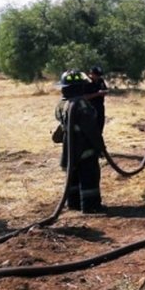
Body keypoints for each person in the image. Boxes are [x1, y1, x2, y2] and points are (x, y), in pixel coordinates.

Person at [55, 71, 107, 214]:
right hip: (85, 147)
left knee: (73, 175)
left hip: (69, 147)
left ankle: (74, 203)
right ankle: (91, 206)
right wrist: (100, 147)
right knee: (89, 176)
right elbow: (91, 129)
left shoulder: (61, 104)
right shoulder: (82, 105)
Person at [85, 66, 108, 133]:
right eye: (97, 75)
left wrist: (104, 92)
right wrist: (97, 94)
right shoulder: (86, 82)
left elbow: (105, 89)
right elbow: (84, 97)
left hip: (100, 106)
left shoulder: (100, 80)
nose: (98, 77)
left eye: (99, 75)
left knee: (100, 125)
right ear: (91, 74)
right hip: (90, 107)